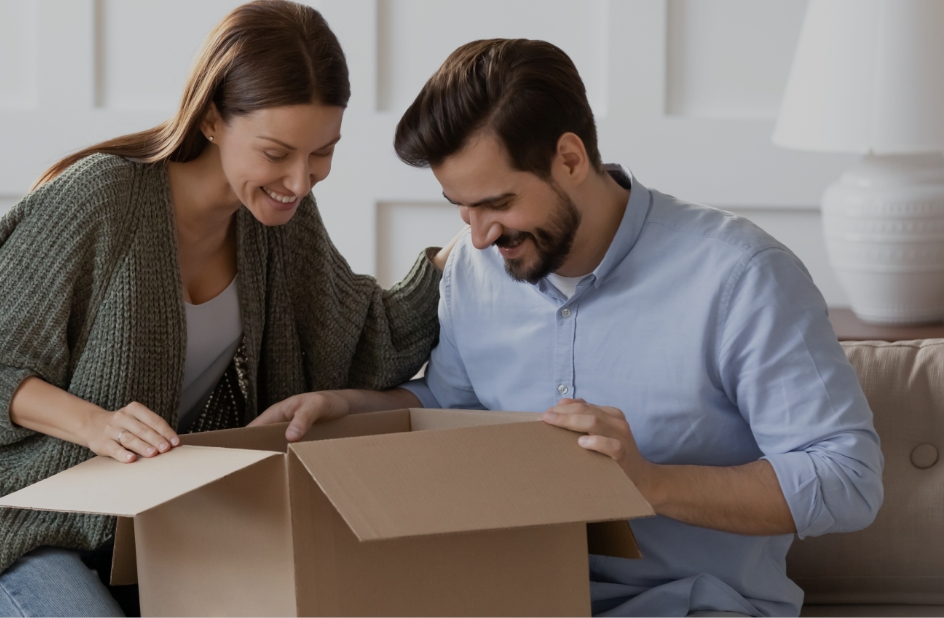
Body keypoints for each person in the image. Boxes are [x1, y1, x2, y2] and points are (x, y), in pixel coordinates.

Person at [0, 0, 454, 618]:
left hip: (136, 531)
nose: (300, 180)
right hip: (4, 521)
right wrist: (94, 425)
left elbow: (364, 337)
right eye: (276, 153)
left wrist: (470, 239)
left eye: (322, 151)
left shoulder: (280, 221)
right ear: (212, 119)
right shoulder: (101, 196)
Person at [253, 38, 884, 617]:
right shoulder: (474, 269)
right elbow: (449, 403)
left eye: (499, 203)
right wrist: (349, 405)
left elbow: (848, 479)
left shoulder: (742, 275)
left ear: (570, 158)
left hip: (691, 604)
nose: (479, 235)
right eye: (462, 207)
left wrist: (651, 483)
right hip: (506, 595)